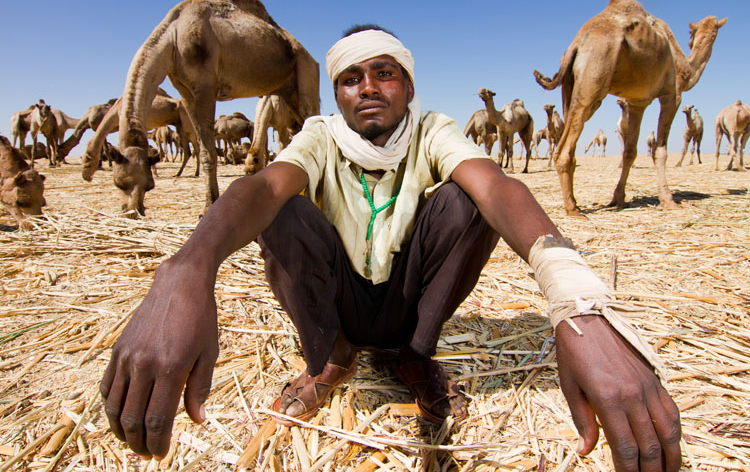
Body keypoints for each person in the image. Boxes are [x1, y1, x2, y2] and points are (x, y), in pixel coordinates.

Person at [100, 26, 681, 471]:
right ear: (337, 95)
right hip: (341, 301)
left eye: (385, 73)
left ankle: (412, 353)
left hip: (407, 302)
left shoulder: (432, 131)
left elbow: (499, 187)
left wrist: (575, 299)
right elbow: (259, 188)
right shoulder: (319, 137)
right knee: (284, 211)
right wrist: (186, 269)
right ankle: (331, 355)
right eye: (352, 79)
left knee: (465, 201)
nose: (369, 88)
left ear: (408, 85)